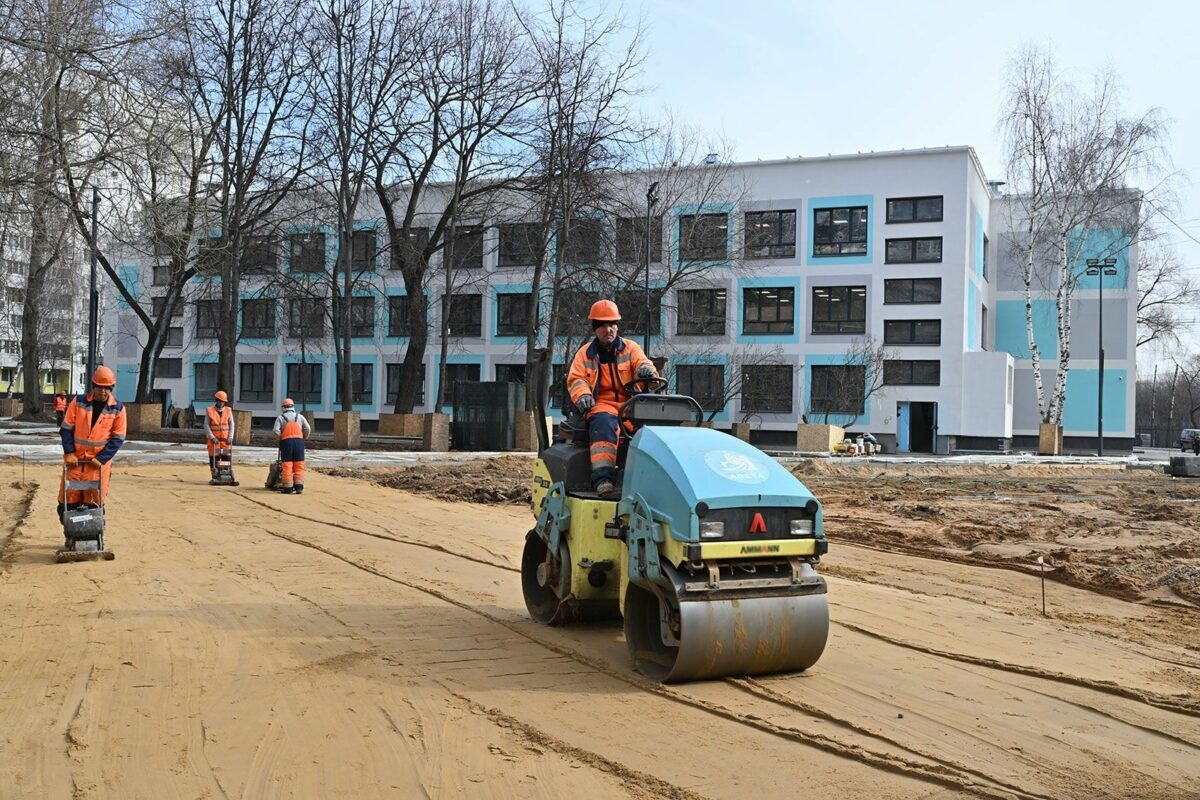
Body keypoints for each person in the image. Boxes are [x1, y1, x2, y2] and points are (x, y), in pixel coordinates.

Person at [566, 299, 658, 497]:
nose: (609, 329)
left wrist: (647, 370)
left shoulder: (631, 348)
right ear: (595, 329)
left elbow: (645, 364)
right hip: (601, 404)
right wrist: (583, 396)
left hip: (631, 405)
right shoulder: (584, 354)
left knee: (653, 431)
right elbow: (576, 379)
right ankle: (603, 479)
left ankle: (648, 481)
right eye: (604, 325)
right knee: (604, 423)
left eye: (612, 324)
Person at [58, 366, 127, 513]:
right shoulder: (78, 402)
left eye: (107, 388)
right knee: (67, 505)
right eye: (100, 387)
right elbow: (66, 428)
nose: (103, 391)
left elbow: (118, 438)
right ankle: (72, 533)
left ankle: (93, 532)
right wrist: (69, 452)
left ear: (111, 388)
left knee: (94, 507)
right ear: (93, 386)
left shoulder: (118, 409)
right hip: (75, 462)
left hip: (97, 466)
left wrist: (101, 458)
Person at [272, 398, 311, 494]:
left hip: (286, 443)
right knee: (299, 464)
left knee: (287, 464)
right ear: (293, 407)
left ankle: (288, 487)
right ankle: (299, 487)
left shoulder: (281, 418)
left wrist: (281, 438)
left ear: (283, 407)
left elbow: (275, 431)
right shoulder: (300, 417)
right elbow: (308, 428)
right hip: (299, 442)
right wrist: (303, 437)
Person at [205, 390, 235, 479]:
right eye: (220, 401)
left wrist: (230, 437)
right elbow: (206, 425)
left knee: (226, 458)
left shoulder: (228, 411)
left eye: (223, 401)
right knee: (214, 459)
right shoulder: (210, 411)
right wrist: (212, 437)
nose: (221, 403)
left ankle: (226, 474)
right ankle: (215, 474)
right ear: (216, 400)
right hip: (214, 442)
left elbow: (232, 424)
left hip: (226, 441)